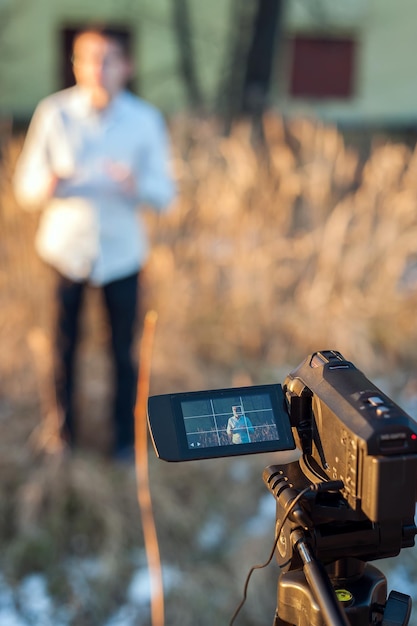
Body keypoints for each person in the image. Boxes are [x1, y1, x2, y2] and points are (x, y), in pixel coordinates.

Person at [13, 26, 176, 458]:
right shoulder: (54, 114)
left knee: (122, 353)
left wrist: (135, 185)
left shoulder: (145, 120)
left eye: (107, 59)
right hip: (64, 252)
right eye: (88, 59)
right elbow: (23, 186)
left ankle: (124, 441)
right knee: (63, 348)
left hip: (123, 255)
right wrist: (45, 185)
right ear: (76, 65)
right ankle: (62, 435)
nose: (97, 69)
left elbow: (166, 193)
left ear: (126, 66)